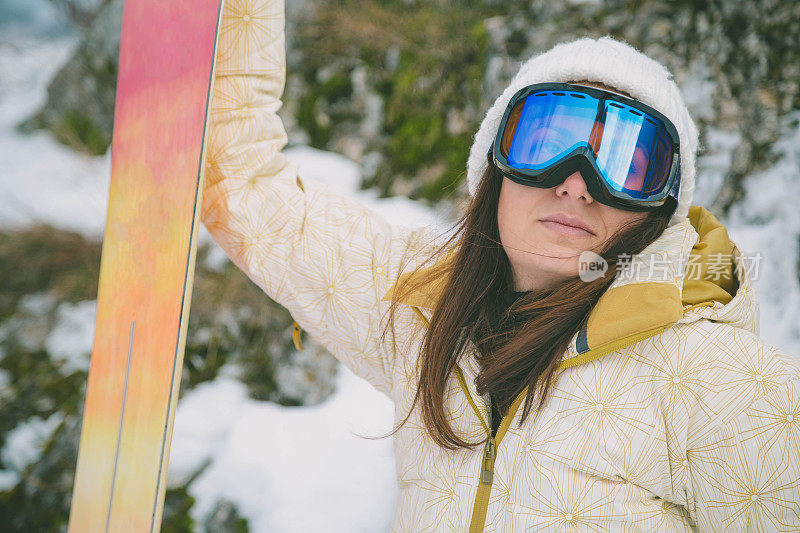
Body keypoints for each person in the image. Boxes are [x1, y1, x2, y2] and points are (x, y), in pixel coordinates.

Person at [201, 1, 800, 531]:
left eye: (623, 163)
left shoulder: (723, 385)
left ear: (662, 209)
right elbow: (239, 183)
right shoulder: (418, 309)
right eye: (545, 140)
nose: (575, 183)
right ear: (494, 167)